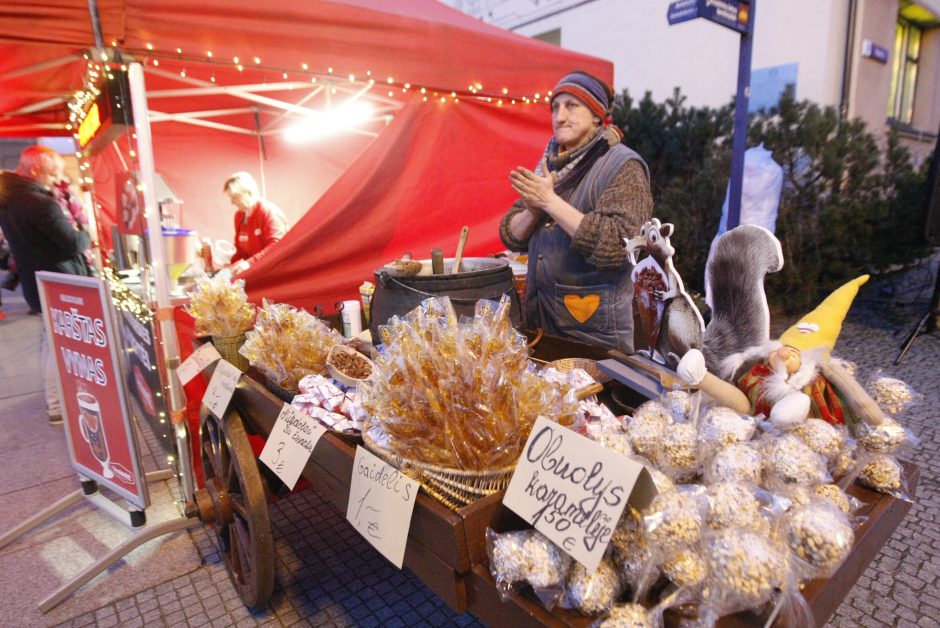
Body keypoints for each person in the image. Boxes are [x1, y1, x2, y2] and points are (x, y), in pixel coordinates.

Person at [499, 70, 653, 353]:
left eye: (572, 106)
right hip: (539, 322)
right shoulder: (549, 163)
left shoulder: (624, 166)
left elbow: (619, 246)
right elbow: (511, 233)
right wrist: (532, 210)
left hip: (594, 335)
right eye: (555, 107)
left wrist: (549, 201)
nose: (559, 117)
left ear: (596, 115)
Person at [0, 145, 92, 424]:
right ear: (36, 170)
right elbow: (72, 243)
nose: (56, 182)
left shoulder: (11, 198)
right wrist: (84, 231)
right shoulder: (38, 203)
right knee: (56, 347)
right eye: (52, 175)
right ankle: (57, 407)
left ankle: (56, 402)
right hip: (59, 285)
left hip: (38, 283)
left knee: (48, 343)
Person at [221, 171, 287, 274]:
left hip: (274, 273)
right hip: (255, 273)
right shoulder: (239, 216)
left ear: (248, 192)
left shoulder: (269, 212)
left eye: (234, 197)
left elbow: (276, 246)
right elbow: (240, 250)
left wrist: (249, 264)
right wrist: (231, 266)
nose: (232, 202)